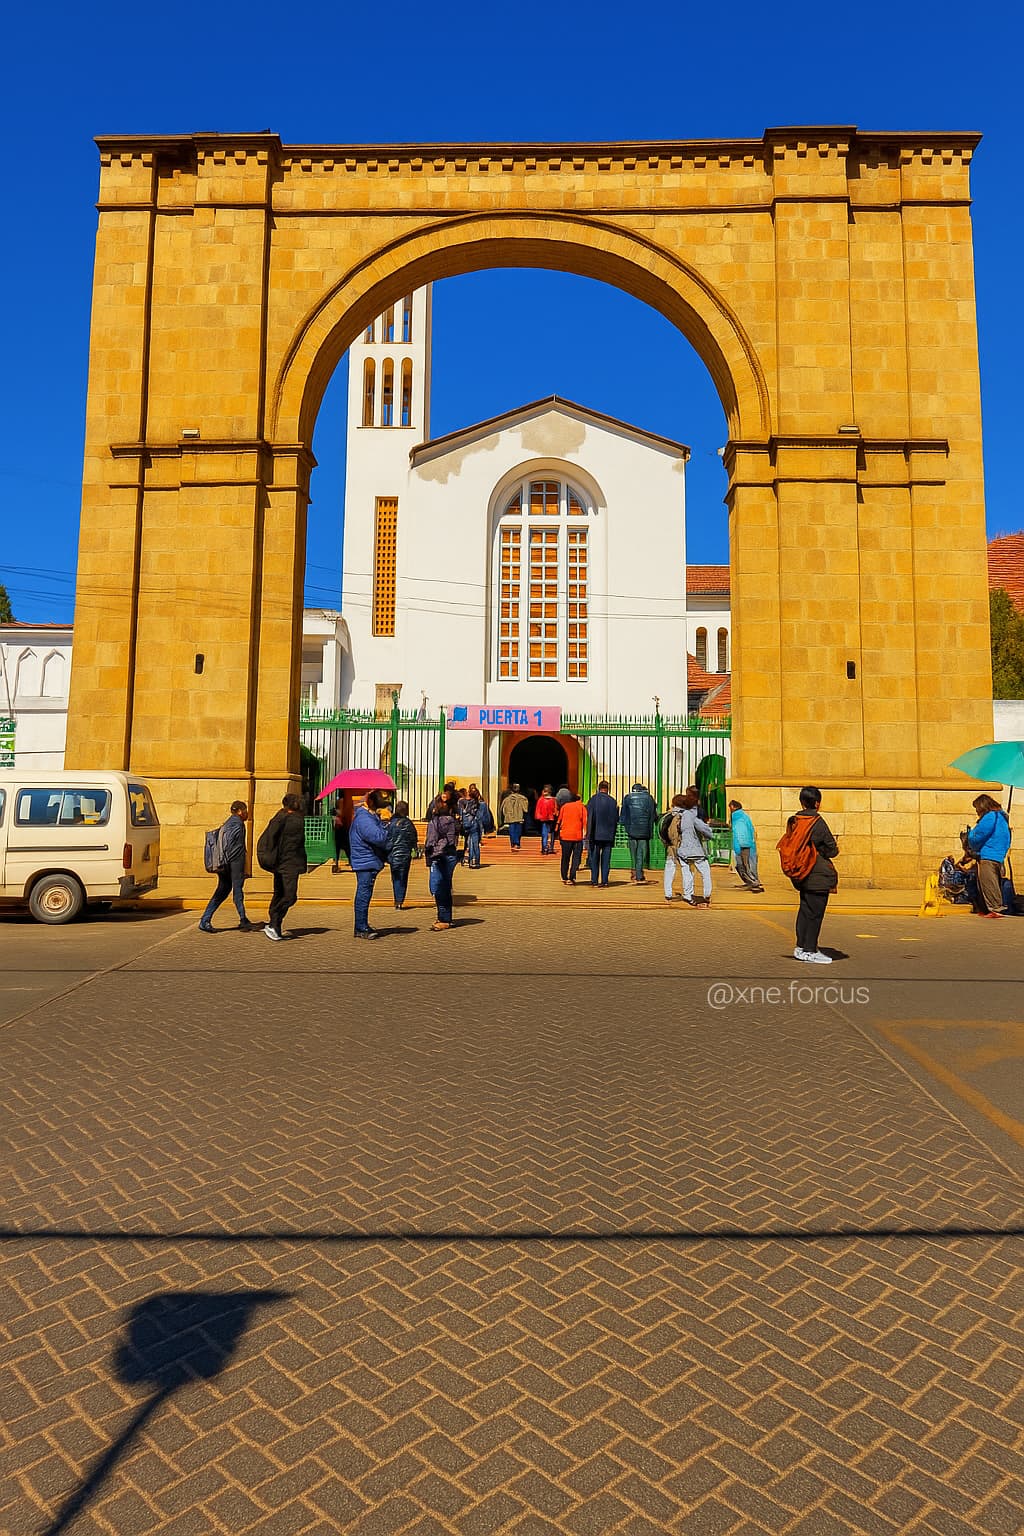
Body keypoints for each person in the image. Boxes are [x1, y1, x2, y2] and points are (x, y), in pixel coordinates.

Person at [784, 786, 840, 962]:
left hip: (801, 873)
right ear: (817, 803)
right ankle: (810, 950)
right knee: (816, 914)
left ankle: (801, 947)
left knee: (805, 910)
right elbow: (832, 849)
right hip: (818, 874)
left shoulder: (795, 820)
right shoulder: (818, 822)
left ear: (801, 802)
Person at [199, 800, 255, 932]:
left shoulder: (228, 823)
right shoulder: (237, 824)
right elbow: (232, 845)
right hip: (234, 863)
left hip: (224, 864)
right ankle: (243, 919)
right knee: (237, 891)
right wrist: (237, 864)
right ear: (240, 811)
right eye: (245, 810)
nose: (247, 813)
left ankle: (205, 920)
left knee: (222, 892)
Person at [261, 793, 307, 941]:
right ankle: (274, 922)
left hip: (280, 862)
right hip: (288, 864)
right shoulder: (294, 820)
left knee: (280, 893)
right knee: (290, 896)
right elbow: (294, 845)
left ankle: (275, 926)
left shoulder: (279, 817)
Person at [349, 789, 390, 938]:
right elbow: (378, 837)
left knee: (365, 893)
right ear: (371, 801)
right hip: (365, 861)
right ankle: (360, 927)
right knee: (363, 894)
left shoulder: (369, 816)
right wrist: (386, 825)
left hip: (368, 860)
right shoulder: (364, 818)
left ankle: (361, 925)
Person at [963, 793, 1012, 917]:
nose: (977, 811)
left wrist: (969, 837)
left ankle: (995, 909)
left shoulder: (990, 817)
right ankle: (988, 908)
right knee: (992, 882)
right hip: (998, 855)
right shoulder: (1002, 818)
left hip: (988, 855)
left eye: (977, 808)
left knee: (988, 883)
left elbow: (979, 835)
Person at [664, 788, 714, 905]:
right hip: (695, 849)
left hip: (679, 849)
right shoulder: (691, 816)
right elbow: (705, 830)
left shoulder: (672, 815)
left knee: (685, 871)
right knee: (704, 871)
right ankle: (706, 894)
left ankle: (686, 894)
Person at [424, 792, 461, 929]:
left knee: (439, 887)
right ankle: (446, 917)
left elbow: (430, 841)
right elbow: (453, 838)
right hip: (450, 854)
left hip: (439, 855)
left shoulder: (435, 822)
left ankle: (443, 919)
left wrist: (428, 850)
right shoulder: (452, 821)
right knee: (446, 885)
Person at [619, 782, 657, 884]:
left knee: (633, 853)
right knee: (641, 853)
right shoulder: (649, 798)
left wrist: (624, 824)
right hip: (644, 831)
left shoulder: (628, 798)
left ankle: (633, 872)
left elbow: (623, 814)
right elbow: (653, 815)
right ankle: (639, 874)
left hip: (631, 830)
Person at [586, 780, 620, 887]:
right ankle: (604, 880)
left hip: (595, 834)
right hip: (608, 835)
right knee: (606, 859)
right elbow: (616, 819)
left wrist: (588, 834)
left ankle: (594, 880)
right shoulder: (613, 801)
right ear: (607, 789)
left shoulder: (593, 800)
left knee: (594, 858)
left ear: (599, 788)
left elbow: (589, 817)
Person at [386, 799, 418, 909]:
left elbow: (387, 838)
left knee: (395, 877)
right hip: (405, 854)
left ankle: (396, 899)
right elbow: (414, 839)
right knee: (403, 877)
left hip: (393, 854)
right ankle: (400, 900)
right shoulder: (409, 824)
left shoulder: (391, 823)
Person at [729, 799, 764, 892]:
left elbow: (738, 831)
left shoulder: (737, 817)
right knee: (745, 864)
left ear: (733, 807)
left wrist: (737, 846)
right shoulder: (744, 816)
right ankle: (751, 882)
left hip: (742, 845)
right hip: (747, 844)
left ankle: (754, 883)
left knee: (743, 865)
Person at [556, 791, 587, 885]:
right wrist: (585, 833)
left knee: (565, 857)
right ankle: (572, 877)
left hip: (565, 835)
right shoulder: (582, 807)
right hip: (577, 836)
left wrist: (557, 831)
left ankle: (564, 876)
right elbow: (585, 821)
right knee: (576, 858)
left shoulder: (565, 807)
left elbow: (559, 820)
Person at [460, 784, 485, 868]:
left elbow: (461, 814)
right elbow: (481, 817)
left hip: (466, 824)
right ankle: (475, 861)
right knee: (474, 843)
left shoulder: (463, 802)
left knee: (468, 842)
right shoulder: (481, 804)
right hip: (475, 824)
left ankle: (469, 859)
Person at [500, 783, 529, 850]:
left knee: (512, 830)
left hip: (510, 817)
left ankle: (513, 843)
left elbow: (502, 809)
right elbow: (525, 809)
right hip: (519, 817)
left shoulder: (506, 799)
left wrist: (505, 815)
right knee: (518, 830)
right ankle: (517, 843)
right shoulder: (523, 798)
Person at [535, 784, 558, 855]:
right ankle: (550, 847)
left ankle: (544, 848)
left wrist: (538, 816)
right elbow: (555, 809)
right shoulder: (553, 800)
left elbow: (538, 809)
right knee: (551, 833)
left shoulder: (541, 800)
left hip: (544, 819)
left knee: (544, 833)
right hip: (551, 819)